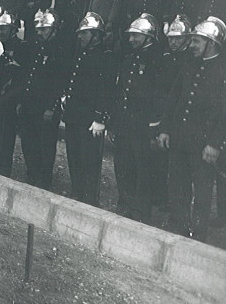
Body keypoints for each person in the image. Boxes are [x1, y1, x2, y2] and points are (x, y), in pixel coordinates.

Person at [157, 17, 226, 242]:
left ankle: (197, 239)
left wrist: (215, 144)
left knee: (202, 194)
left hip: (203, 147)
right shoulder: (188, 65)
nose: (191, 45)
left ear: (211, 43)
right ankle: (177, 232)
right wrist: (165, 129)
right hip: (180, 140)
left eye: (196, 41)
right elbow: (174, 99)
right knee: (177, 189)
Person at [109, 13, 162, 221]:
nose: (131, 40)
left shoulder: (156, 60)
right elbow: (120, 90)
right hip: (124, 122)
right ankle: (125, 202)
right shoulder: (129, 58)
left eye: (136, 36)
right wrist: (114, 122)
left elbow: (158, 96)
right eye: (130, 36)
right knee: (122, 163)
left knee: (142, 168)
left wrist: (154, 126)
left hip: (142, 124)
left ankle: (141, 210)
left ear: (149, 37)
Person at [62, 12, 115, 206]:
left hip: (90, 118)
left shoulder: (105, 57)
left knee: (89, 161)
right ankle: (78, 193)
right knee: (74, 156)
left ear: (96, 35)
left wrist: (100, 118)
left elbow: (106, 89)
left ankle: (90, 199)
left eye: (84, 33)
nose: (80, 37)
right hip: (75, 114)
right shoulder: (81, 53)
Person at [19, 11, 69, 190]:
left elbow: (59, 82)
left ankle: (44, 177)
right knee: (29, 139)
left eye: (45, 30)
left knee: (45, 143)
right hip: (31, 103)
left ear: (54, 30)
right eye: (39, 30)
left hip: (46, 106)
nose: (40, 33)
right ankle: (32, 172)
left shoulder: (60, 50)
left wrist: (51, 107)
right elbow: (28, 75)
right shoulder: (36, 47)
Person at [153, 15, 194, 209]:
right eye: (170, 38)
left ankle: (176, 204)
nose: (173, 42)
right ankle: (161, 198)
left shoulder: (191, 60)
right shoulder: (166, 57)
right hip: (163, 112)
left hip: (180, 116)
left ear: (187, 39)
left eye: (178, 38)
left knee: (178, 166)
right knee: (159, 159)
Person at [0, 13, 28, 177]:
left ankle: (5, 165)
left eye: (4, 28)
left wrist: (2, 55)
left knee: (5, 132)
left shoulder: (21, 46)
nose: (1, 31)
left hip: (9, 95)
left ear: (13, 30)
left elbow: (17, 70)